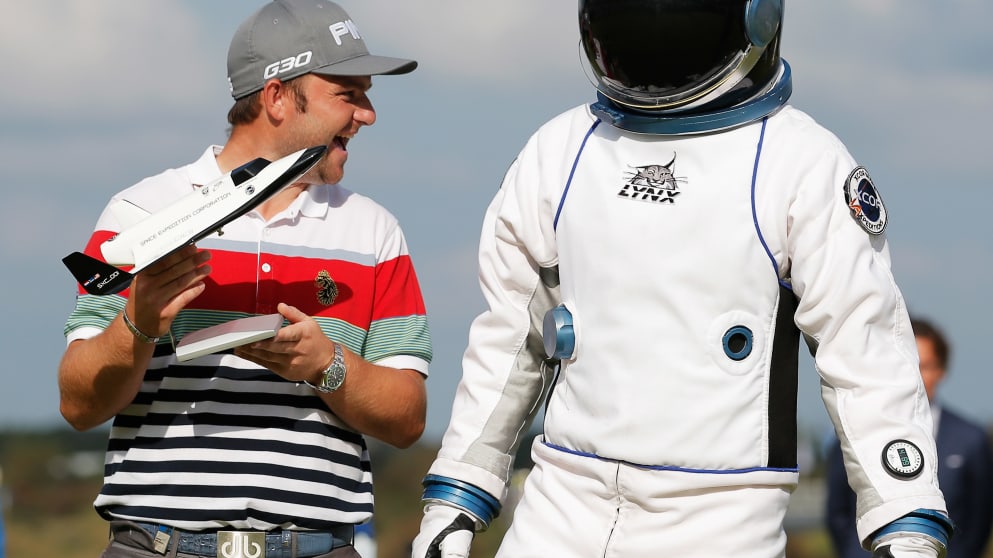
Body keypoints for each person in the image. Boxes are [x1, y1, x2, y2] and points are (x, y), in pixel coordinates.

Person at [411, 1, 953, 557]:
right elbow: (509, 339)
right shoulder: (561, 151)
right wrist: (456, 497)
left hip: (721, 515)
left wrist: (904, 518)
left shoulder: (800, 162)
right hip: (559, 507)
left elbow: (864, 354)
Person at [58, 2, 431, 557]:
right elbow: (78, 404)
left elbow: (408, 419)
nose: (368, 114)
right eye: (347, 94)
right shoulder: (138, 212)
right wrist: (138, 323)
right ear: (276, 97)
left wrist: (327, 365)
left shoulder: (375, 231)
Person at [826, 317, 993, 558]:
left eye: (925, 366)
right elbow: (837, 513)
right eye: (907, 365)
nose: (915, 376)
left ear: (941, 371)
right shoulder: (854, 433)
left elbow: (979, 521)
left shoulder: (971, 440)